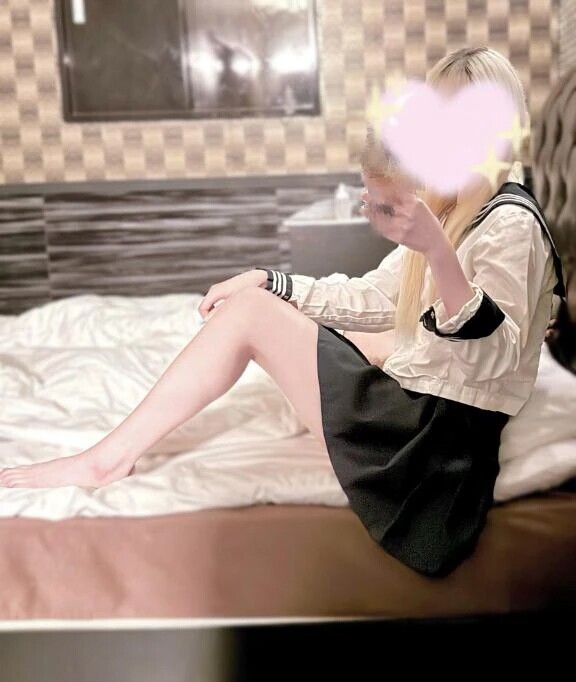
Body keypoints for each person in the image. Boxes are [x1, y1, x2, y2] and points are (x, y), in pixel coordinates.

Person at [0, 47, 566, 578]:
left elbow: (495, 353)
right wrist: (272, 282)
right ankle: (114, 452)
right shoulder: (459, 212)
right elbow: (372, 297)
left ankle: (105, 460)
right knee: (262, 307)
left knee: (252, 315)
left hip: (433, 455)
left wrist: (438, 255)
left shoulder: (509, 223)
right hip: (416, 421)